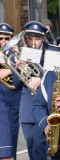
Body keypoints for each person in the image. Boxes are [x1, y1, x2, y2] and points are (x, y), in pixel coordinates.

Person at [18, 21, 49, 160]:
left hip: (44, 108)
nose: (33, 42)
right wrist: (18, 68)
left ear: (43, 38)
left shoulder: (52, 52)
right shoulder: (21, 53)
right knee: (31, 147)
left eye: (37, 38)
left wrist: (41, 79)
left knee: (41, 148)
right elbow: (15, 83)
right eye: (30, 38)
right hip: (27, 107)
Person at [0, 23, 22, 160]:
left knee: (11, 140)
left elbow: (19, 79)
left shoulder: (17, 56)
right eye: (0, 38)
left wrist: (9, 70)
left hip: (12, 102)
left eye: (6, 38)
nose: (3, 41)